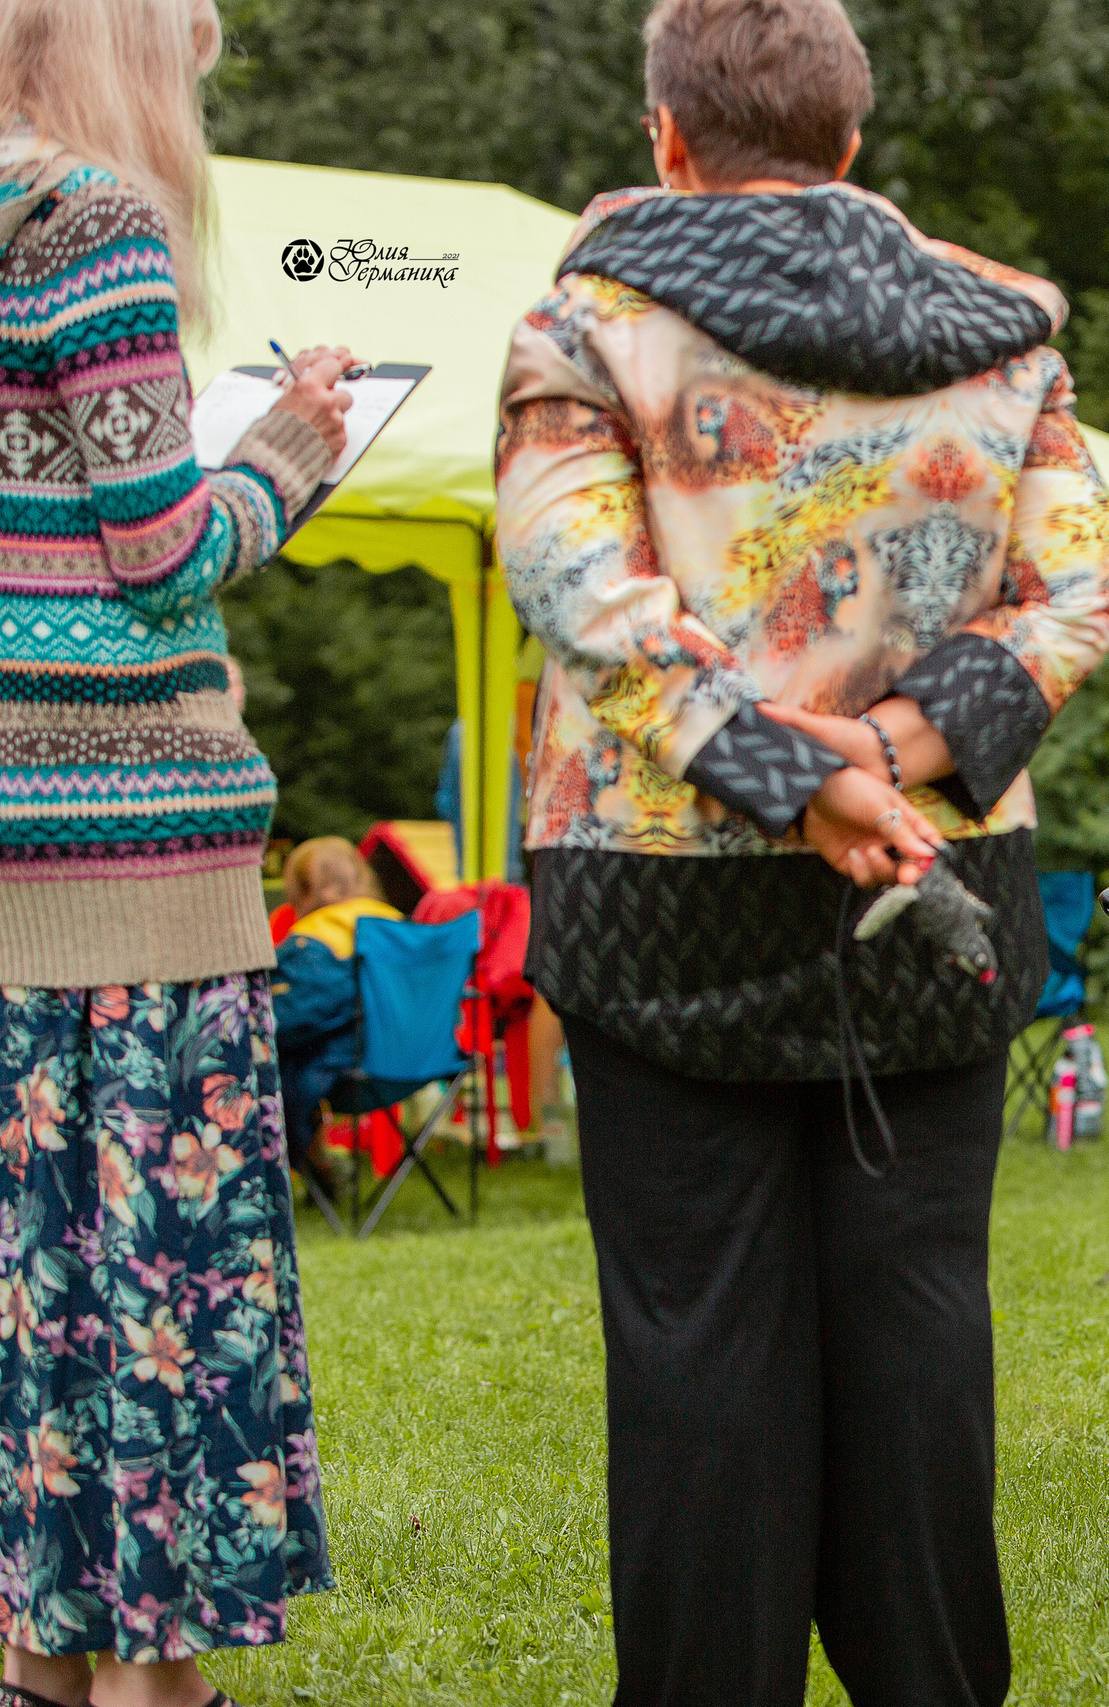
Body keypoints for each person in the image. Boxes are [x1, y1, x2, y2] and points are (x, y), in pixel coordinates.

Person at [494, 2, 1109, 1702]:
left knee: (699, 1351)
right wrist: (894, 754)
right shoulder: (1010, 333)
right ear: (854, 140)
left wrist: (795, 772)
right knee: (919, 1335)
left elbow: (582, 593)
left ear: (666, 137)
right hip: (931, 883)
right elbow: (1079, 587)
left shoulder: (585, 324)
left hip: (658, 902)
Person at [0, 1, 345, 1699]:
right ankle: (159, 1672)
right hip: (136, 841)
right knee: (167, 1271)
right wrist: (291, 452)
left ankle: (47, 1653)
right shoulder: (93, 227)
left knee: (42, 1272)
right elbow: (161, 549)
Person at [269, 839, 401, 1196]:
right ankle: (320, 1166)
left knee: (275, 1067)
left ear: (302, 891)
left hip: (351, 1065)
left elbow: (296, 1018)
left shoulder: (314, 937)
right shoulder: (396, 925)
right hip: (417, 1059)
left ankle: (310, 1165)